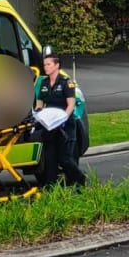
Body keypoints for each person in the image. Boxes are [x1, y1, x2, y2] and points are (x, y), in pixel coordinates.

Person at [35, 53, 86, 189]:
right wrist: (37, 114)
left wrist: (62, 118)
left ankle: (79, 179)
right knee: (50, 158)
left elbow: (70, 105)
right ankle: (51, 187)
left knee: (65, 158)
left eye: (48, 64)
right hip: (50, 126)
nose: (45, 67)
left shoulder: (66, 83)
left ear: (57, 65)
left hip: (65, 126)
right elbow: (40, 104)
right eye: (44, 64)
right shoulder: (44, 83)